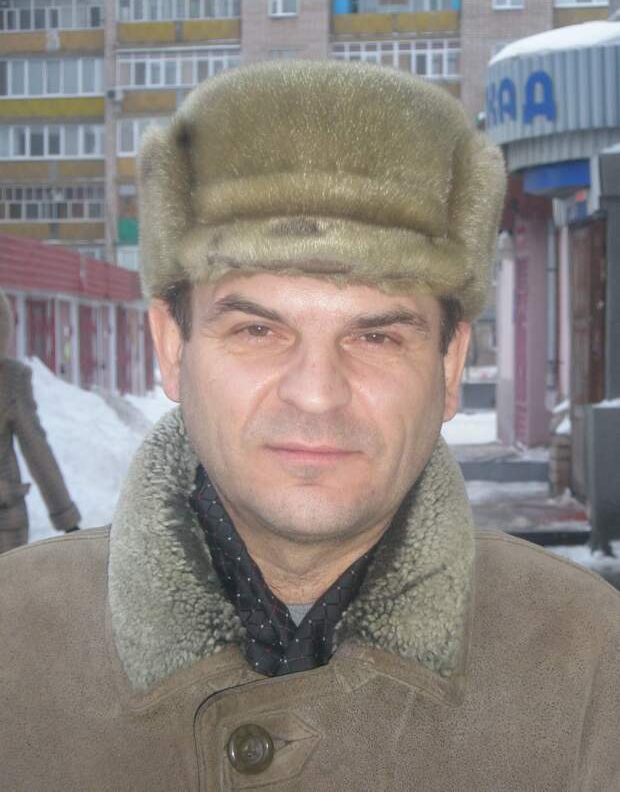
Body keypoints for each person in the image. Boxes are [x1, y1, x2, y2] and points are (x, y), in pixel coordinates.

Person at [1, 61, 619, 791]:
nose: (318, 395)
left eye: (377, 336)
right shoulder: (16, 642)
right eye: (258, 330)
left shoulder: (591, 664)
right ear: (171, 347)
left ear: (450, 367)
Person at [0, 289, 80, 553]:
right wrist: (67, 520)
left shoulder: (11, 379)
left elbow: (36, 451)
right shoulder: (10, 378)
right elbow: (37, 450)